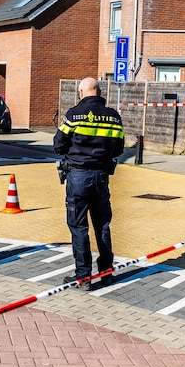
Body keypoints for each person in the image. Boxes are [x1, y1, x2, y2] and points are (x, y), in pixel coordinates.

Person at [54, 77, 125, 291]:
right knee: (102, 225)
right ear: (99, 92)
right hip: (101, 177)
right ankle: (106, 273)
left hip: (78, 177)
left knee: (78, 227)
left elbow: (58, 145)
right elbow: (119, 148)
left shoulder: (73, 115)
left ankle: (83, 277)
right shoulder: (113, 117)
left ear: (81, 92)